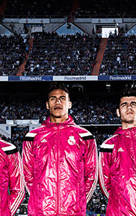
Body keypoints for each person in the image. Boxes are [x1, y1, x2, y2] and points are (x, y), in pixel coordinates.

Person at [22, 82, 97, 215]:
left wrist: (78, 202)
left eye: (62, 98)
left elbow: (91, 174)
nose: (58, 102)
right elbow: (27, 174)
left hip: (74, 211)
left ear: (69, 104)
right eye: (53, 98)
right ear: (47, 105)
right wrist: (39, 201)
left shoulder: (85, 136)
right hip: (41, 211)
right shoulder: (32, 137)